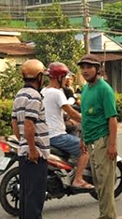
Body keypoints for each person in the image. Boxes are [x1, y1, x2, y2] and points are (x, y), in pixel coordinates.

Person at [78, 54, 118, 219]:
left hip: (103, 139)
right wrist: (82, 138)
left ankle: (106, 218)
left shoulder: (104, 89)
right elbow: (85, 117)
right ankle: (106, 214)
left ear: (98, 69)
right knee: (98, 180)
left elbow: (112, 118)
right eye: (83, 67)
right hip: (91, 139)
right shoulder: (86, 89)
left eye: (89, 67)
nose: (85, 70)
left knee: (105, 180)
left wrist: (112, 145)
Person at [11, 60, 51, 219]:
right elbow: (29, 124)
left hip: (23, 149)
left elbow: (14, 122)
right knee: (36, 190)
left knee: (27, 190)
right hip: (36, 151)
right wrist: (33, 149)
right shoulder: (34, 97)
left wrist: (23, 143)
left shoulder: (20, 95)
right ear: (40, 76)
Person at [41, 62, 92, 190]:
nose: (66, 80)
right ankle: (78, 180)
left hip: (45, 134)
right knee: (85, 151)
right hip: (56, 135)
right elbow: (72, 112)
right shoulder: (57, 93)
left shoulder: (44, 91)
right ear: (59, 77)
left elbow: (55, 112)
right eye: (65, 77)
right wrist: (87, 120)